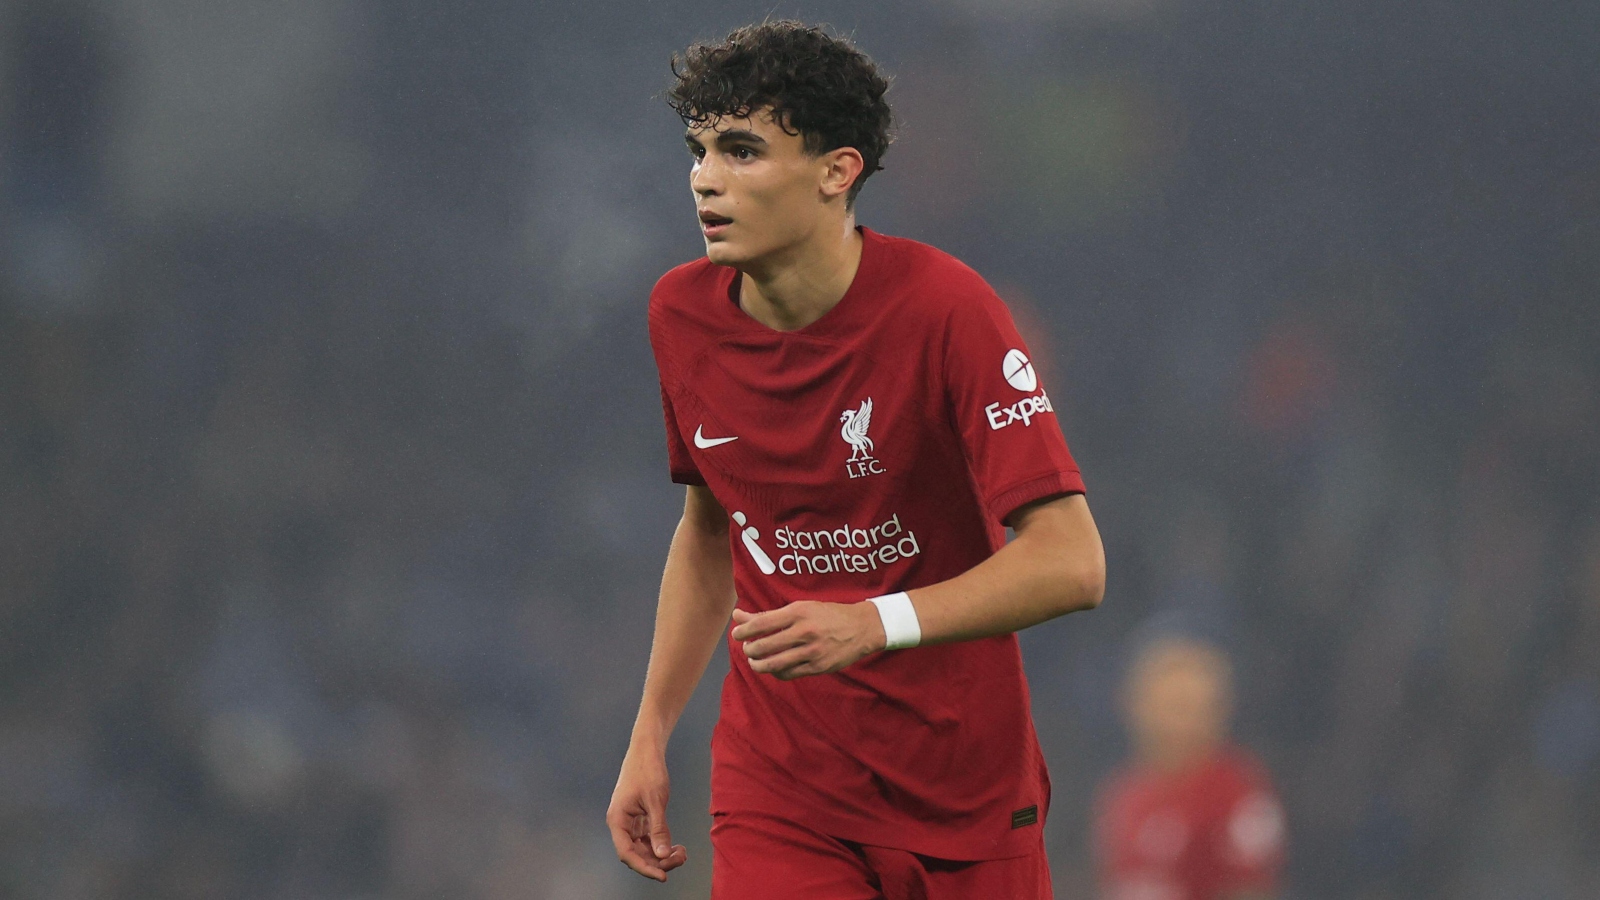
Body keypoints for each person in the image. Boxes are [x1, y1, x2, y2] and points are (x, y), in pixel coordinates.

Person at [605, 21, 1106, 899]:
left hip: (964, 792)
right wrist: (649, 730)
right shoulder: (680, 315)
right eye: (699, 151)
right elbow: (711, 532)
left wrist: (873, 622)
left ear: (838, 171)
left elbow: (1072, 563)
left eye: (743, 150)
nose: (706, 179)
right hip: (783, 786)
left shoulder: (948, 310)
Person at [1094, 637, 1286, 900]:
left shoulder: (1238, 794)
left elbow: (1251, 889)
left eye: (1190, 707)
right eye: (1170, 706)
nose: (1178, 724)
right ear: (1136, 707)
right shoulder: (1122, 795)